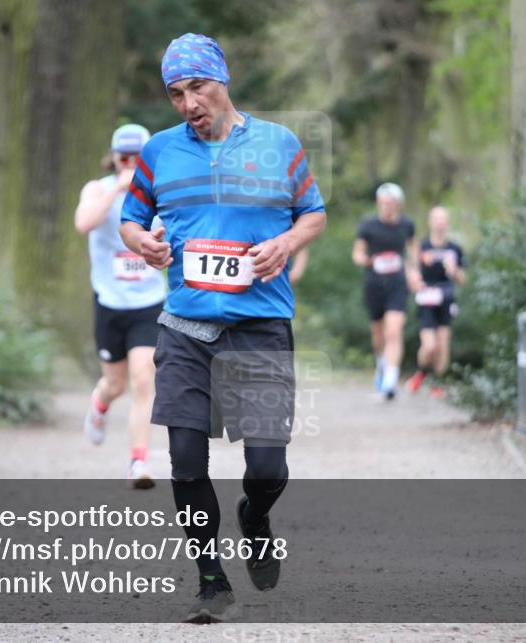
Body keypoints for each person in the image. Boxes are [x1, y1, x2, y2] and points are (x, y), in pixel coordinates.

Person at [120, 33, 326, 623]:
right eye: (176, 93)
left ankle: (255, 517)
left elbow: (313, 212)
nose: (189, 102)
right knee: (185, 461)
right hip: (185, 327)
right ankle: (211, 580)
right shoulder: (158, 153)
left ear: (223, 79)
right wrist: (146, 244)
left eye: (198, 87)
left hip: (260, 327)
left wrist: (284, 243)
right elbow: (131, 223)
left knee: (267, 469)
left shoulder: (278, 143)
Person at [75, 123, 167, 489]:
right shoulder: (97, 189)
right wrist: (117, 188)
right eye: (123, 157)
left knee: (144, 378)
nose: (129, 163)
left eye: (136, 158)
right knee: (115, 383)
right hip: (110, 302)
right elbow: (83, 223)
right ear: (113, 158)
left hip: (148, 302)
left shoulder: (160, 193)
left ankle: (138, 464)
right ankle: (100, 404)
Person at [352, 182, 419, 400]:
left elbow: (413, 251)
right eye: (382, 203)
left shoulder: (407, 225)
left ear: (398, 204)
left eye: (390, 203)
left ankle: (390, 382)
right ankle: (381, 364)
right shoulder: (368, 225)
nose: (386, 207)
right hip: (374, 284)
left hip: (397, 284)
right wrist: (370, 261)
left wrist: (413, 271)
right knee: (379, 335)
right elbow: (357, 254)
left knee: (394, 331)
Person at [406, 206, 465, 398]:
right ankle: (422, 373)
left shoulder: (454, 248)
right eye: (436, 219)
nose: (440, 223)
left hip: (447, 298)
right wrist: (415, 280)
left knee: (443, 344)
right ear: (430, 222)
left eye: (443, 219)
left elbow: (462, 278)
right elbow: (411, 270)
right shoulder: (421, 246)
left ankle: (437, 382)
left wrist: (454, 270)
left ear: (447, 223)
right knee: (430, 345)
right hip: (427, 298)